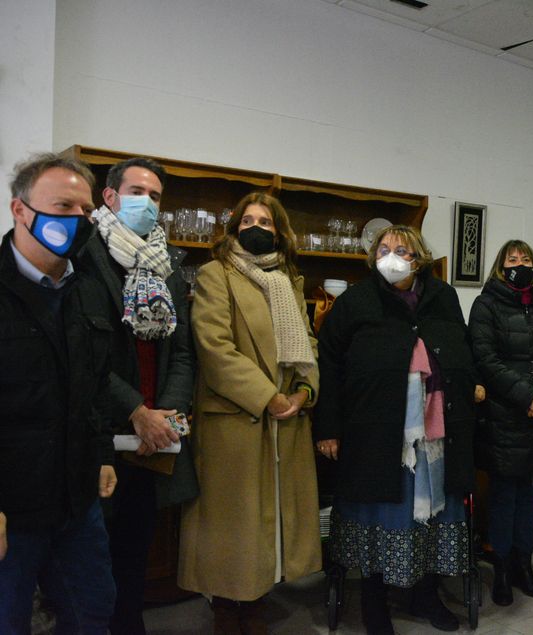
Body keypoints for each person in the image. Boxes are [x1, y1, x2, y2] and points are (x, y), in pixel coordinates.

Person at [315, 225, 481, 634]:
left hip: (435, 433)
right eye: (383, 249)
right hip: (374, 433)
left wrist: (469, 383)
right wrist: (328, 428)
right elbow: (329, 365)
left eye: (402, 250)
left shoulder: (442, 297)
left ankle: (425, 596)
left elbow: (461, 348)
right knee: (379, 516)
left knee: (432, 514)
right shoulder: (356, 301)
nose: (391, 256)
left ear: (418, 259)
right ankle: (374, 603)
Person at [178, 192, 320, 634]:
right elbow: (214, 348)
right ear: (234, 228)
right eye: (247, 221)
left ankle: (257, 600)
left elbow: (308, 345)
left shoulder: (289, 280)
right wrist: (267, 396)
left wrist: (304, 391)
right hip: (237, 417)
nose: (255, 227)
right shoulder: (216, 273)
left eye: (265, 221)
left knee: (270, 521)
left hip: (286, 418)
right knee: (232, 523)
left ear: (279, 232)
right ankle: (226, 605)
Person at [78, 156, 197, 635]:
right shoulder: (85, 255)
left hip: (152, 439)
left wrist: (164, 416)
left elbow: (183, 351)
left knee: (134, 552)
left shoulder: (166, 265)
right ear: (109, 197)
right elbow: (85, 354)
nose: (146, 203)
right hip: (101, 431)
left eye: (155, 196)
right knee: (90, 556)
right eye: (136, 192)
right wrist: (135, 410)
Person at [0, 153, 117, 633]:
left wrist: (103, 453)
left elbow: (97, 385)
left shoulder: (89, 290)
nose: (78, 219)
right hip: (12, 505)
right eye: (63, 206)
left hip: (77, 498)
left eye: (86, 210)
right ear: (20, 210)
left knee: (92, 612)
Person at [468, 239, 533, 606]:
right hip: (504, 414)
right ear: (501, 268)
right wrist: (528, 398)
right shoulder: (486, 305)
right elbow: (485, 359)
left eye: (525, 259)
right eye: (512, 260)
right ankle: (501, 569)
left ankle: (523, 567)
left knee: (530, 495)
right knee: (503, 496)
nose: (519, 265)